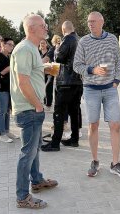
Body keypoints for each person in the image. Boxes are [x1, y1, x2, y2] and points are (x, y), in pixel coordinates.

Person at [73, 11, 120, 179]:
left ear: (102, 22)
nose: (90, 24)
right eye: (89, 21)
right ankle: (95, 161)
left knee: (115, 125)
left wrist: (116, 81)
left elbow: (119, 61)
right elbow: (77, 65)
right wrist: (91, 70)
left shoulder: (112, 39)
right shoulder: (83, 41)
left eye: (94, 21)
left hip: (110, 89)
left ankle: (115, 163)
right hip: (91, 89)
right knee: (93, 125)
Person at [10, 14, 58, 209]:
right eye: (42, 25)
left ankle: (36, 180)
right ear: (31, 29)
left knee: (34, 149)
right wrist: (38, 105)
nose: (46, 28)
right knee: (27, 153)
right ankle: (22, 197)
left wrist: (44, 68)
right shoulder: (24, 49)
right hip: (29, 109)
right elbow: (23, 82)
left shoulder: (31, 49)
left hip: (32, 108)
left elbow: (29, 73)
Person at [41, 21, 83, 151]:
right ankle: (74, 139)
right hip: (77, 82)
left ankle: (55, 143)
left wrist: (57, 48)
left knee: (58, 113)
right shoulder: (79, 39)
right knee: (74, 112)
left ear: (63, 30)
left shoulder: (67, 40)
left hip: (65, 82)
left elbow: (59, 58)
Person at [0, 37, 19, 143]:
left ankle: (7, 131)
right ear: (3, 45)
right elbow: (2, 72)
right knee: (2, 111)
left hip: (8, 88)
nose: (12, 47)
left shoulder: (8, 56)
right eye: (10, 44)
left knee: (8, 111)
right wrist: (13, 65)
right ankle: (1, 133)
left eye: (13, 45)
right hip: (1, 88)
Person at [38, 39, 53, 110]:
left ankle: (48, 104)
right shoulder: (38, 52)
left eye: (44, 43)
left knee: (48, 86)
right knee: (42, 87)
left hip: (50, 72)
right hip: (41, 72)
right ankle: (43, 102)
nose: (42, 44)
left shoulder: (50, 52)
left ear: (46, 44)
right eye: (41, 43)